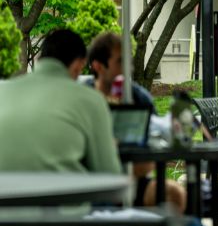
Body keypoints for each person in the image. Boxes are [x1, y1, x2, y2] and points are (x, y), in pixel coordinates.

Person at [86, 32, 186, 212]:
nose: (128, 68)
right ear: (98, 66)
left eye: (128, 61)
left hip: (131, 182)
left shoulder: (139, 98)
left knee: (174, 194)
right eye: (120, 62)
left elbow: (150, 155)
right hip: (89, 186)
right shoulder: (81, 98)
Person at [0, 29, 121, 174]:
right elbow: (109, 173)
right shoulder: (91, 100)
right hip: (63, 195)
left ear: (39, 60)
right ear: (78, 65)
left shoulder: (3, 91)